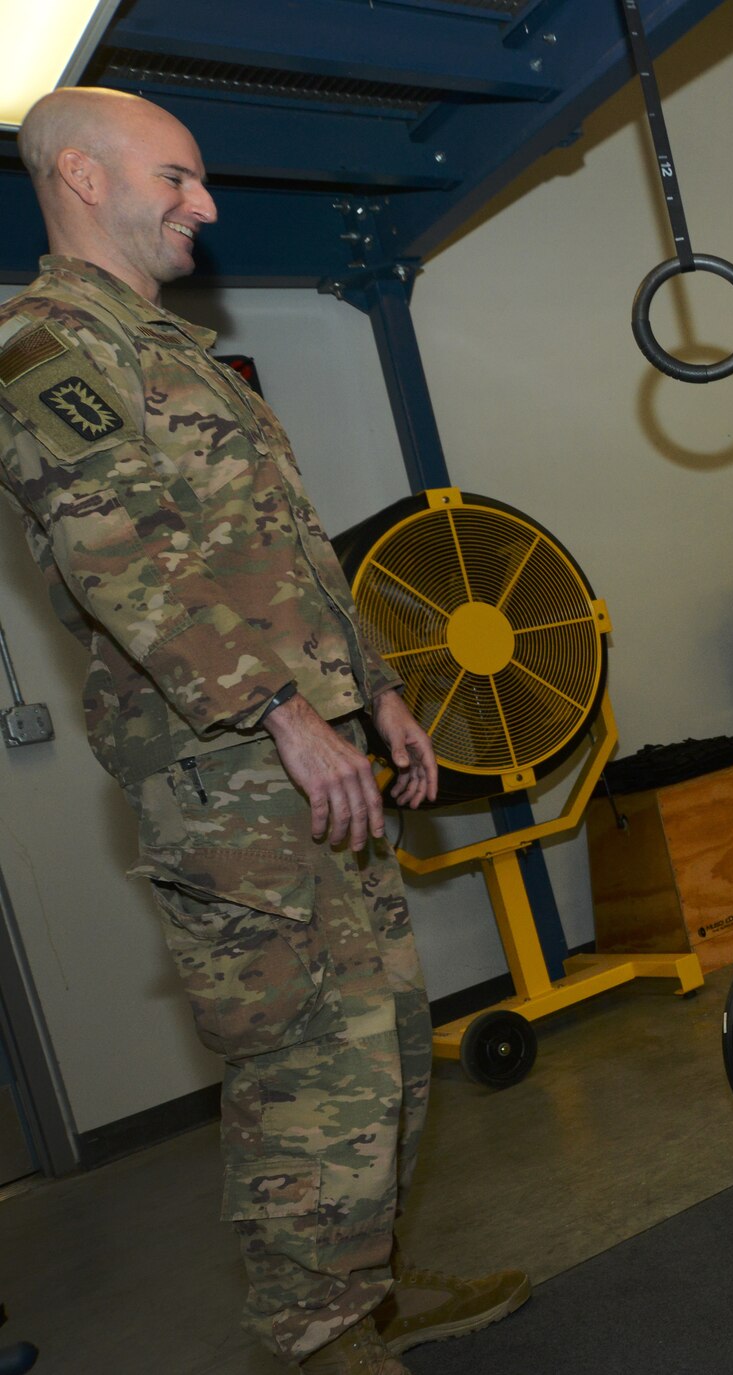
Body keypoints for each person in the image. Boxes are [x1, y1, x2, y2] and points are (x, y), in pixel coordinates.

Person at [0, 89, 527, 1374]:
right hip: (226, 772)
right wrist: (284, 713)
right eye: (177, 179)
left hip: (313, 750)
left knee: (387, 1043)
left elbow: (283, 554)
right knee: (304, 1061)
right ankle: (316, 1339)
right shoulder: (45, 343)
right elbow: (123, 557)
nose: (208, 205)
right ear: (81, 174)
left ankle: (371, 1291)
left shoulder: (170, 345)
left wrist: (380, 688)